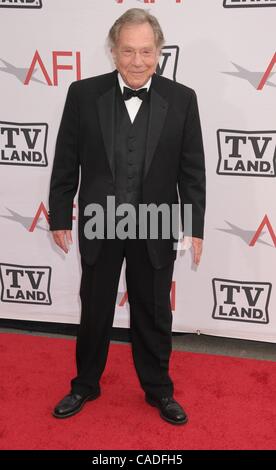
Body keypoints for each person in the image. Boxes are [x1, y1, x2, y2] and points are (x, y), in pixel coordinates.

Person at [48, 8, 206, 425]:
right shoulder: (83, 94)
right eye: (128, 51)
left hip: (154, 221)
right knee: (96, 307)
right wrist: (60, 215)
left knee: (154, 311)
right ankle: (84, 384)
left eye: (147, 52)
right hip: (100, 218)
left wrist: (195, 226)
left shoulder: (183, 98)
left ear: (159, 52)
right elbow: (65, 163)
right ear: (113, 52)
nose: (138, 61)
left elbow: (192, 171)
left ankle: (159, 391)